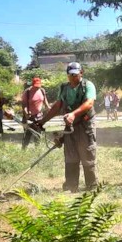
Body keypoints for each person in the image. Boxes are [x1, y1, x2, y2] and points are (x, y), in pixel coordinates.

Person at [39, 62, 98, 192]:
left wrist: (73, 114)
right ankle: (71, 187)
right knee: (71, 157)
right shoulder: (64, 88)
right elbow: (57, 106)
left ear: (81, 73)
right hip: (70, 126)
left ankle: (92, 187)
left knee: (87, 154)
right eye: (70, 75)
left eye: (75, 75)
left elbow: (89, 103)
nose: (73, 77)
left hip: (85, 125)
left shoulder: (88, 85)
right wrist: (42, 121)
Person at [20, 77, 50, 149]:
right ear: (32, 84)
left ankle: (37, 151)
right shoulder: (27, 92)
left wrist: (48, 107)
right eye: (36, 86)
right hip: (29, 117)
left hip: (39, 117)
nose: (37, 88)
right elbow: (24, 104)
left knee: (38, 135)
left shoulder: (42, 90)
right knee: (28, 135)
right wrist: (26, 112)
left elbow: (45, 100)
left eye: (39, 86)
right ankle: (23, 150)